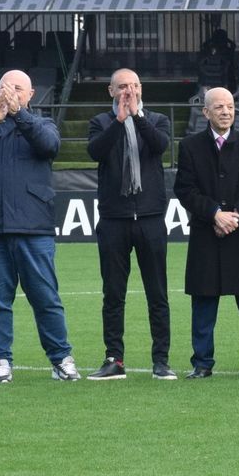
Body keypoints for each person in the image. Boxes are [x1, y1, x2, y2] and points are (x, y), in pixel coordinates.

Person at [0, 69, 80, 383]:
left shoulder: (42, 123)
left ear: (30, 94)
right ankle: (0, 361)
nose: (10, 94)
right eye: (6, 88)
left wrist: (20, 114)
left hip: (34, 226)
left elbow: (49, 145)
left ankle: (61, 358)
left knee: (46, 297)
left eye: (18, 89)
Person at [174, 86, 239, 378]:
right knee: (203, 300)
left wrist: (235, 216)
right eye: (219, 107)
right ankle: (202, 363)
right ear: (206, 112)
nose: (226, 112)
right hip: (207, 234)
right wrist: (215, 214)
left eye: (230, 106)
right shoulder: (190, 146)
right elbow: (185, 189)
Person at [86, 68, 174, 380]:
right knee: (113, 293)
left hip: (150, 217)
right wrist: (120, 121)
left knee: (157, 293)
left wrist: (137, 117)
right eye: (122, 86)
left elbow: (159, 146)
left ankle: (161, 360)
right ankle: (114, 359)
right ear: (111, 91)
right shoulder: (101, 122)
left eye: (134, 85)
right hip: (113, 219)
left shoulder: (157, 119)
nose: (129, 91)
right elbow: (96, 151)